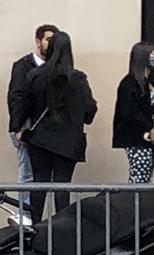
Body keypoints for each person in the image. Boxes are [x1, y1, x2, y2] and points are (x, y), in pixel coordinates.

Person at [15, 29, 97, 210]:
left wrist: (21, 127)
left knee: (39, 183)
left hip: (40, 137)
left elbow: (25, 106)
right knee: (63, 185)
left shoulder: (35, 75)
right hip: (69, 139)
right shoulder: (78, 79)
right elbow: (90, 110)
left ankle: (34, 226)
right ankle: (62, 229)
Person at [114, 42, 154, 184]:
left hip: (152, 139)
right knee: (139, 174)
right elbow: (129, 111)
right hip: (137, 138)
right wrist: (148, 127)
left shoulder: (152, 82)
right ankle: (135, 203)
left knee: (149, 174)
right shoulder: (129, 83)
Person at [8, 24, 55, 184]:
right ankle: (25, 209)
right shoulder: (23, 66)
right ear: (38, 41)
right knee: (28, 174)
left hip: (47, 131)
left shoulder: (55, 68)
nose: (51, 44)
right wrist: (17, 128)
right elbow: (16, 97)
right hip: (27, 128)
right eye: (48, 39)